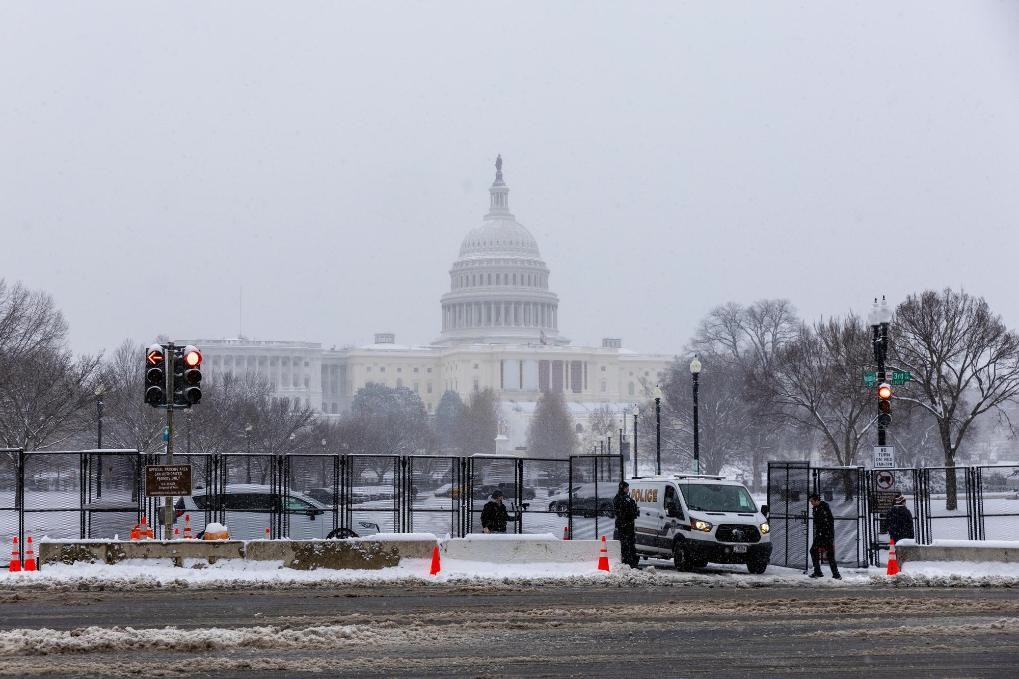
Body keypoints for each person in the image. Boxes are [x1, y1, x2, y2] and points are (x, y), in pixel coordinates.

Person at [808, 493, 840, 579]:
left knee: (829, 554)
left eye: (812, 501)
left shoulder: (824, 509)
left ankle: (836, 574)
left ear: (817, 500)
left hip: (826, 535)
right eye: (810, 501)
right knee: (813, 550)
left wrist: (824, 534)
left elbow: (827, 523)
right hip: (820, 534)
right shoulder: (816, 508)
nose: (811, 503)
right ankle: (818, 571)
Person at [613, 481, 640, 568]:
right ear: (622, 488)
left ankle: (632, 563)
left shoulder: (627, 498)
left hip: (629, 525)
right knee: (625, 545)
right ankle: (627, 563)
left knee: (631, 544)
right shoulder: (619, 498)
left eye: (628, 488)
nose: (628, 490)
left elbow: (632, 507)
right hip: (624, 526)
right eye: (626, 488)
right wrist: (630, 513)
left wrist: (634, 511)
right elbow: (622, 511)